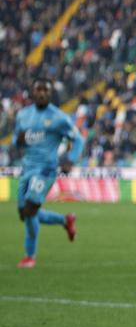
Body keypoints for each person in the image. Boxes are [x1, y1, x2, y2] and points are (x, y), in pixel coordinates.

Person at [12, 78, 81, 268]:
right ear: (33, 92)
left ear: (50, 94)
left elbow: (79, 140)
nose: (41, 93)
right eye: (38, 89)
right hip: (27, 169)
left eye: (45, 90)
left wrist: (70, 159)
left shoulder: (59, 118)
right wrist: (17, 141)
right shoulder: (23, 115)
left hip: (46, 170)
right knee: (26, 213)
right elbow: (16, 141)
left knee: (30, 209)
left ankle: (30, 256)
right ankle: (65, 220)